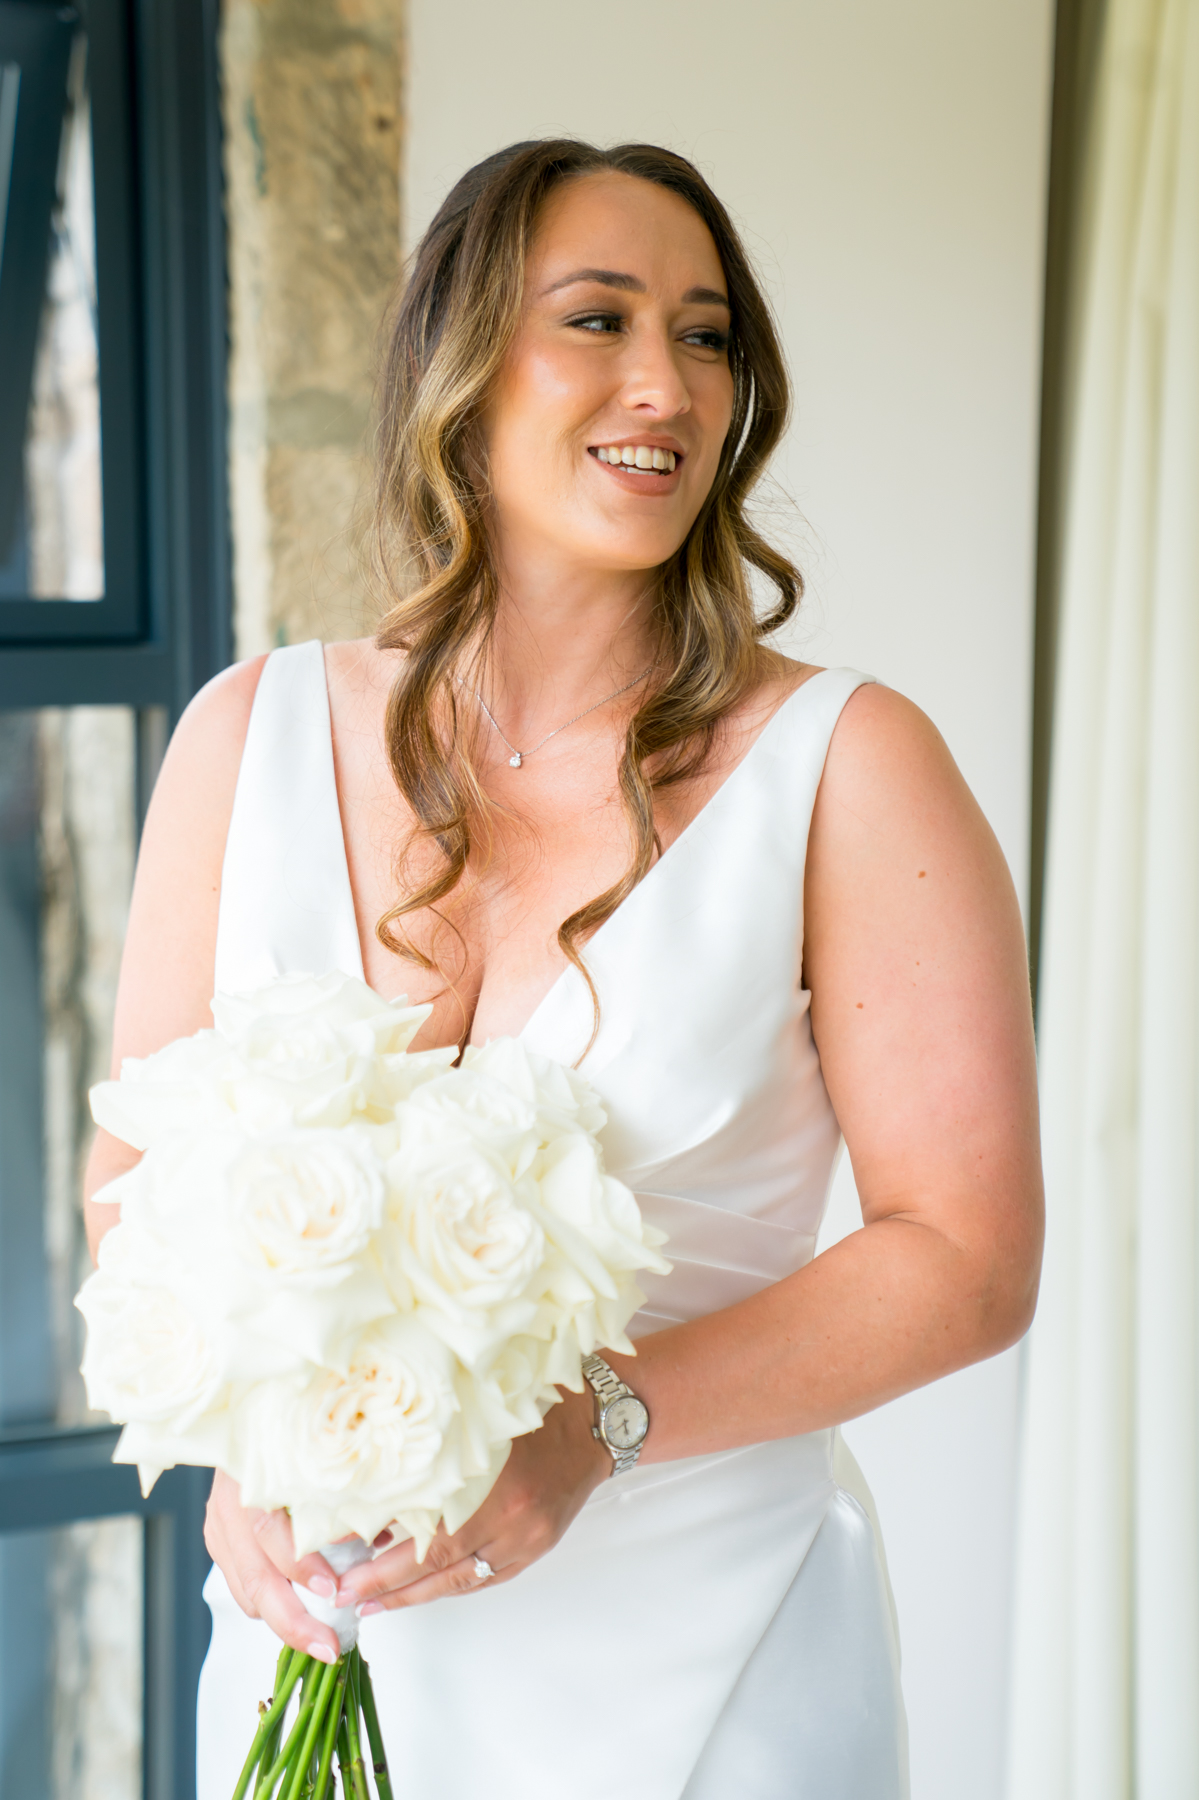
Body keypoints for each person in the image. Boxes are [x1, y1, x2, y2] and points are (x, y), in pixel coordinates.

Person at [84, 139, 1043, 1799]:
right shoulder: (242, 737)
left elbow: (965, 1256)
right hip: (315, 1637)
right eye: (597, 320)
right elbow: (132, 1181)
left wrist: (591, 1427)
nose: (665, 384)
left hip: (712, 1666)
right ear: (458, 366)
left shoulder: (850, 766)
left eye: (709, 334)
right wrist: (245, 1451)